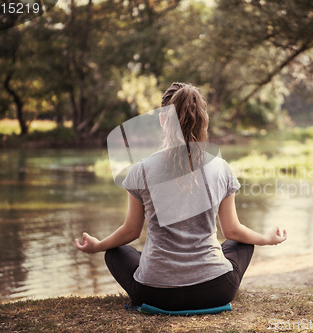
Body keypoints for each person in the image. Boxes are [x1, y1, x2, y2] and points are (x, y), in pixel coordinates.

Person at [75, 82, 287, 311]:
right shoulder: (221, 167)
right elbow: (233, 231)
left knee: (115, 252)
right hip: (216, 289)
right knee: (243, 242)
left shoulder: (142, 170)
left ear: (162, 120)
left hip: (154, 293)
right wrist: (266, 238)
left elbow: (131, 231)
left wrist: (98, 246)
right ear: (203, 121)